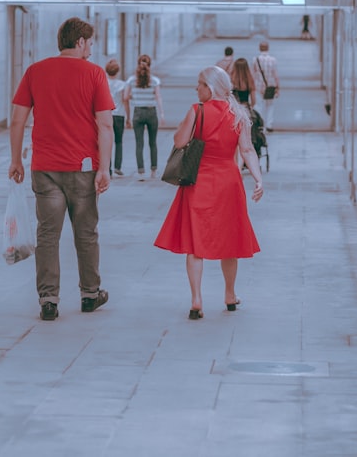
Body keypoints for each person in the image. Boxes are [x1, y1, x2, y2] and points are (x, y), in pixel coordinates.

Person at [8, 17, 113, 321]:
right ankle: (91, 294)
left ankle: (48, 300)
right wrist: (103, 168)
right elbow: (105, 124)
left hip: (45, 167)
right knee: (86, 233)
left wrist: (16, 160)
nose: (91, 51)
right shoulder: (94, 74)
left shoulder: (35, 71)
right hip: (83, 168)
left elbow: (17, 120)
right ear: (80, 41)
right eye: (90, 43)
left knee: (48, 235)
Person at [154, 66, 264, 319]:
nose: (197, 88)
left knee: (196, 243)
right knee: (230, 243)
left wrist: (187, 126)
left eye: (200, 84)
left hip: (199, 182)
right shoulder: (239, 114)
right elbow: (247, 151)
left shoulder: (197, 111)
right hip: (228, 182)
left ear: (210, 87)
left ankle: (196, 299)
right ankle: (229, 294)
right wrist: (258, 179)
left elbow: (179, 142)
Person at [124, 54, 165, 181]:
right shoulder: (155, 81)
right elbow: (158, 97)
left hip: (138, 112)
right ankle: (153, 171)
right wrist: (162, 113)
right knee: (153, 143)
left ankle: (141, 172)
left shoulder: (131, 80)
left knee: (139, 143)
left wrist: (133, 99)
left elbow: (125, 97)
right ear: (150, 65)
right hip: (151, 112)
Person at [250, 40, 280, 132]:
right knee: (270, 105)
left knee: (259, 105)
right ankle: (269, 125)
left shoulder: (255, 60)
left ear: (259, 48)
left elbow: (253, 74)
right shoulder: (272, 60)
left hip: (258, 86)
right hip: (270, 86)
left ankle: (260, 125)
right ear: (268, 48)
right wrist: (278, 87)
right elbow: (275, 74)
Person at [105, 59, 128, 176]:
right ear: (117, 71)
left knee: (106, 142)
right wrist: (128, 116)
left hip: (106, 115)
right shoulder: (122, 84)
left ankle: (107, 168)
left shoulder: (103, 83)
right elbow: (125, 100)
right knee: (118, 142)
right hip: (119, 115)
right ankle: (118, 167)